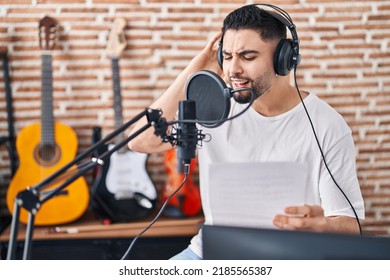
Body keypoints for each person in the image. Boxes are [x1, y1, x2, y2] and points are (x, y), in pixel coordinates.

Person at [128, 4, 365, 260]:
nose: (233, 70)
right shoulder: (214, 108)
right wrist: (196, 69)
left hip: (285, 257)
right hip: (208, 254)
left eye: (248, 57)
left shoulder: (326, 125)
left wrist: (321, 227)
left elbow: (350, 226)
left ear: (284, 59)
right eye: (227, 56)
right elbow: (141, 141)